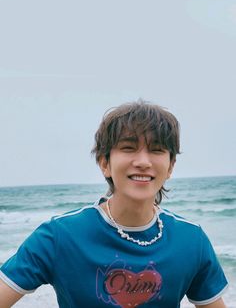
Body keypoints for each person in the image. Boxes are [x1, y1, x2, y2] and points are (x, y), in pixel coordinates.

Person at [0, 100, 228, 308]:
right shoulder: (59, 236)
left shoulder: (191, 240)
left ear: (170, 166)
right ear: (104, 163)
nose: (143, 162)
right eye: (128, 148)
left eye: (157, 150)